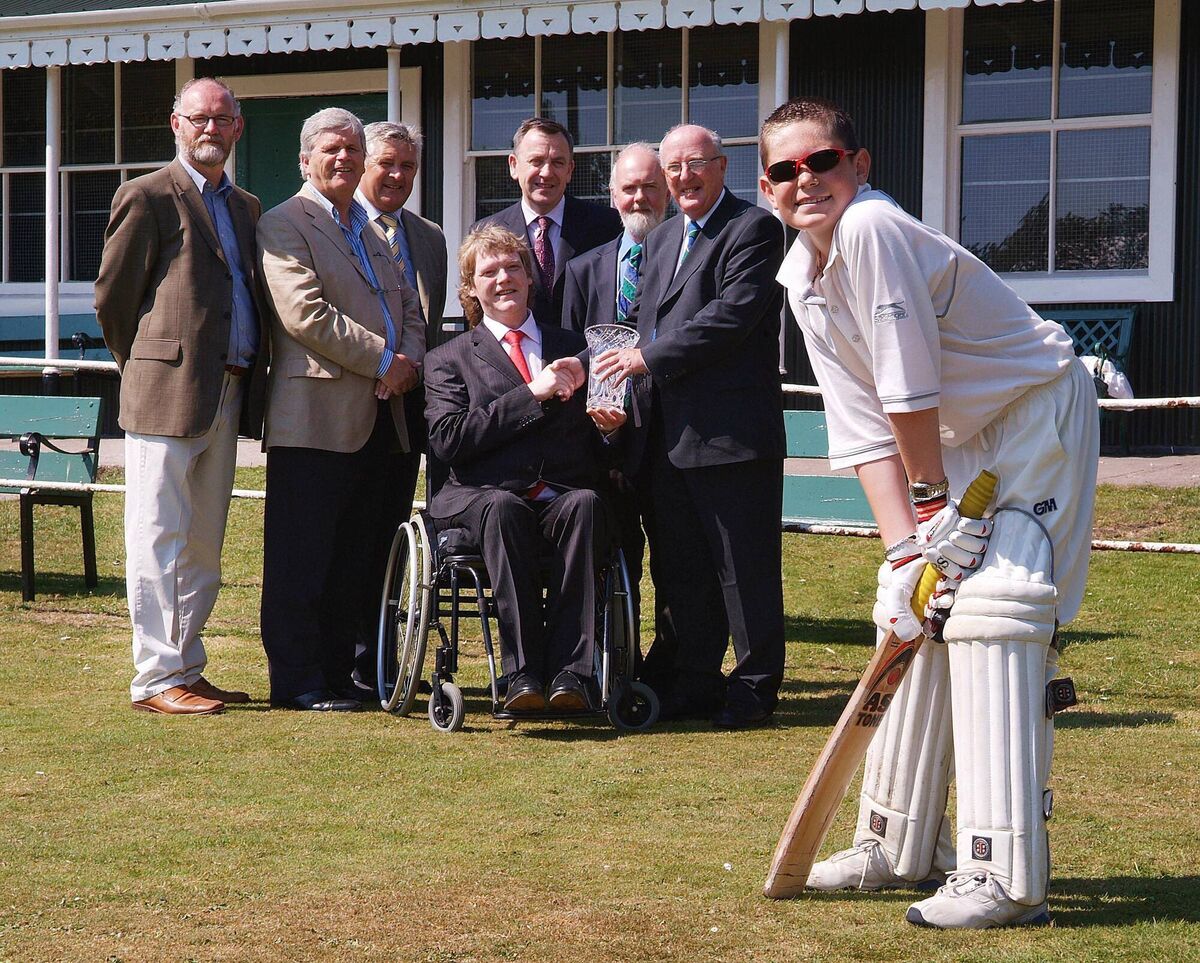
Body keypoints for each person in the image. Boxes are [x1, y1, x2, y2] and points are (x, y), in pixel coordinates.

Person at [759, 96, 1098, 929]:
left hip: (1033, 412)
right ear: (766, 189)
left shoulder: (872, 228)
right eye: (784, 170)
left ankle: (1005, 876)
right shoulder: (800, 278)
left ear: (858, 165)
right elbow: (864, 426)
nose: (806, 181)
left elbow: (909, 381)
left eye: (822, 162)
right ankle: (895, 843)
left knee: (996, 607)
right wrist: (908, 546)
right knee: (908, 607)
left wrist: (933, 500)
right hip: (953, 442)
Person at [592, 124, 787, 730]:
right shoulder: (660, 238)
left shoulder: (753, 229)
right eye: (672, 168)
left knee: (744, 569)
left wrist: (646, 359)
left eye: (695, 165)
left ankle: (755, 687)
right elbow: (643, 325)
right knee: (682, 572)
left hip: (730, 438)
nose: (684, 178)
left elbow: (729, 319)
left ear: (722, 167)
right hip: (666, 440)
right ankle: (696, 679)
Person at [96, 77, 270, 716]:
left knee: (203, 542)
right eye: (199, 119)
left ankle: (187, 667)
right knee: (156, 533)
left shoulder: (247, 207)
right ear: (177, 125)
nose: (211, 130)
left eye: (222, 120)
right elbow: (113, 299)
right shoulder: (146, 196)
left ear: (237, 130)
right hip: (164, 392)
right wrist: (144, 363)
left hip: (228, 389)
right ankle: (153, 677)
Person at [256, 107, 424, 711]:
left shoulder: (373, 228)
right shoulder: (285, 223)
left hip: (383, 416)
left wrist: (406, 366)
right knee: (304, 558)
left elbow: (407, 305)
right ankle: (298, 682)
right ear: (305, 159)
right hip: (315, 418)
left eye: (354, 150)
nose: (345, 159)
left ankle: (340, 674)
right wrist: (385, 362)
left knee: (357, 556)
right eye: (332, 150)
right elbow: (305, 314)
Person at [423, 224, 620, 713]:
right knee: (502, 508)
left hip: (558, 495)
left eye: (513, 267)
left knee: (587, 504)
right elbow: (449, 440)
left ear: (530, 278)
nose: (503, 278)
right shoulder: (447, 359)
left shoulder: (575, 348)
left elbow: (600, 441)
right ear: (470, 289)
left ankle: (573, 674)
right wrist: (532, 393)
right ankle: (522, 674)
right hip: (479, 495)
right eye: (488, 271)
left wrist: (610, 428)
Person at [560, 142, 676, 686]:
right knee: (611, 552)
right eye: (629, 188)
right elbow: (571, 360)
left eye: (650, 186)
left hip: (675, 441)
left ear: (668, 191)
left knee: (678, 563)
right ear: (613, 195)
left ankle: (670, 666)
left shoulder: (688, 258)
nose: (639, 197)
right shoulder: (584, 270)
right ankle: (610, 663)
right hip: (605, 445)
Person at [353, 120, 448, 692]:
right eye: (385, 164)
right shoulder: (338, 228)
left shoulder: (429, 237)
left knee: (388, 539)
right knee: (349, 539)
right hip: (345, 408)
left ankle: (382, 660)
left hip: (408, 413)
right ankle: (347, 660)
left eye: (407, 167)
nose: (396, 176)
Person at [473, 117, 621, 327]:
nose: (547, 172)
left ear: (570, 170)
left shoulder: (607, 225)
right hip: (515, 355)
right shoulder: (486, 232)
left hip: (585, 356)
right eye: (536, 161)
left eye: (557, 162)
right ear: (514, 166)